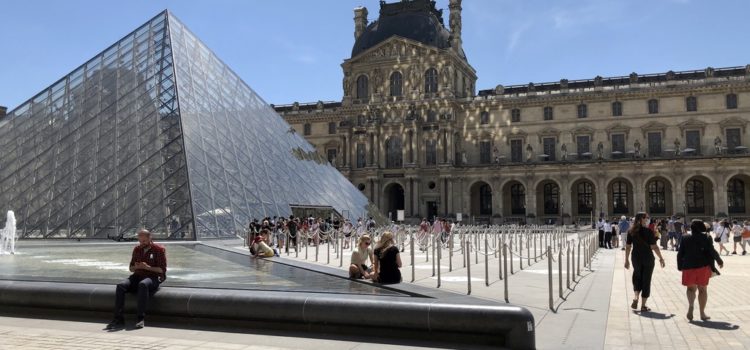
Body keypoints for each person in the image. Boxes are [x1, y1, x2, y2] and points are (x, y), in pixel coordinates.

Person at [106, 229, 167, 330]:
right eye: (140, 241)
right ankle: (118, 318)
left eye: (144, 241)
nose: (141, 243)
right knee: (120, 286)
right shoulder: (137, 249)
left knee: (143, 284)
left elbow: (162, 270)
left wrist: (147, 267)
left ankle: (140, 318)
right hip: (137, 276)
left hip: (152, 278)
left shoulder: (159, 250)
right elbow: (131, 268)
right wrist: (137, 267)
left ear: (150, 238)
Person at [677, 220, 723, 321]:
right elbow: (711, 251)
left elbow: (680, 253)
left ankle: (691, 306)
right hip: (702, 266)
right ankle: (702, 313)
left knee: (690, 289)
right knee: (702, 290)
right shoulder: (706, 237)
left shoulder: (685, 237)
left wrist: (680, 266)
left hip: (688, 266)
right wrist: (719, 260)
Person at [624, 212, 666, 312]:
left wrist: (626, 260)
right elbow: (654, 247)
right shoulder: (648, 231)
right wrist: (661, 258)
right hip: (648, 257)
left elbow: (628, 246)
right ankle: (643, 306)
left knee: (637, 276)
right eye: (646, 218)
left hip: (636, 257)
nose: (647, 219)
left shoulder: (631, 231)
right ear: (641, 219)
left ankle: (635, 297)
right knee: (646, 279)